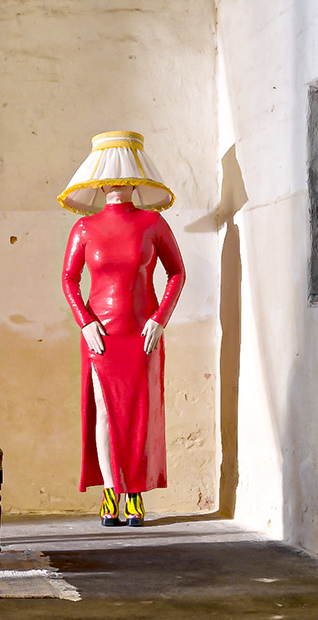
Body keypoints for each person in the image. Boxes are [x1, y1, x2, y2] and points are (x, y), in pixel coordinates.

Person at [57, 131, 185, 527]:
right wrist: (85, 322)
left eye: (124, 177)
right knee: (105, 415)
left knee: (140, 413)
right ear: (98, 181)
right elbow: (68, 278)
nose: (116, 184)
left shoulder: (152, 223)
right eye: (109, 178)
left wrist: (159, 319)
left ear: (135, 180)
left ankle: (135, 494)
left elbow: (177, 273)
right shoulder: (84, 228)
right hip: (101, 334)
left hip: (142, 332)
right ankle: (111, 492)